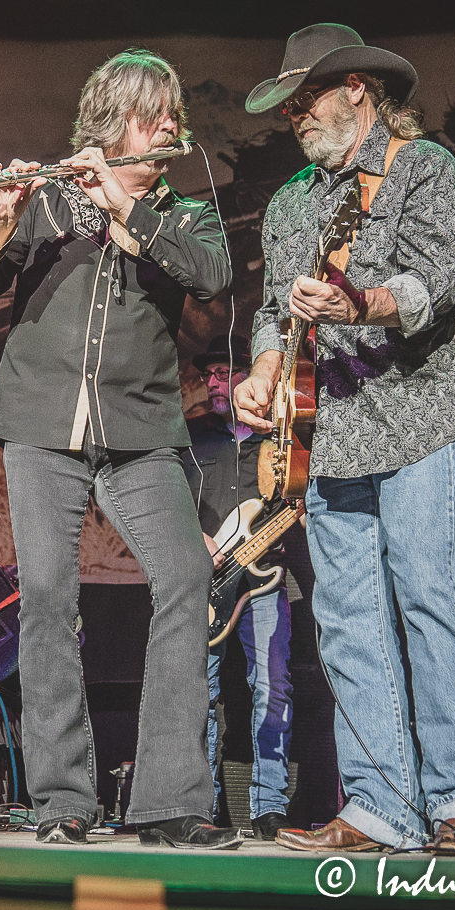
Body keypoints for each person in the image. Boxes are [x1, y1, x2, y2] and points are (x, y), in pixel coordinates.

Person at [0, 49, 238, 849]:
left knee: (186, 576)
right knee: (46, 597)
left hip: (141, 434)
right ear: (114, 124)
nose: (171, 128)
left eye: (173, 115)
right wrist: (2, 215)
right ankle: (62, 800)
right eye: (155, 115)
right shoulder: (47, 201)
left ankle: (171, 800)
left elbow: (210, 275)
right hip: (41, 427)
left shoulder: (183, 213)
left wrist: (126, 207)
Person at [233, 23, 455, 854]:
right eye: (287, 106)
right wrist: (264, 373)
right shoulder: (290, 203)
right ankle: (380, 805)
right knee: (347, 620)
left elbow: (432, 283)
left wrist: (359, 305)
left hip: (419, 417)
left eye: (304, 97)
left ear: (356, 87)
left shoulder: (427, 168)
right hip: (330, 435)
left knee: (432, 599)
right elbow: (276, 310)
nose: (294, 116)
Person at [183, 334, 296, 841]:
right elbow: (165, 497)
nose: (210, 382)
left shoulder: (283, 440)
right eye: (205, 375)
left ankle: (269, 805)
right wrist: (195, 537)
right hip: (205, 582)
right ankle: (199, 804)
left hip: (266, 579)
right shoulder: (190, 436)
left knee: (273, 686)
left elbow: (296, 500)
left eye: (219, 372)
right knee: (198, 691)